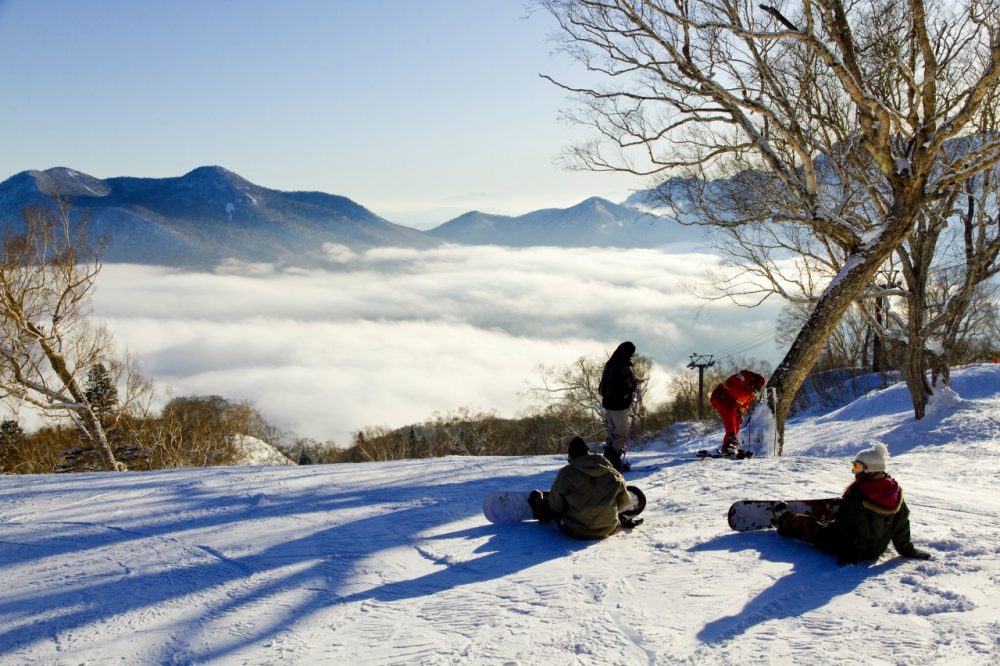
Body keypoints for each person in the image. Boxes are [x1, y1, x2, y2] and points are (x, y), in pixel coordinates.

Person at [775, 443, 932, 565]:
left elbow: (847, 529)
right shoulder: (895, 492)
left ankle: (784, 519)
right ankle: (836, 509)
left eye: (857, 467)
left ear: (869, 469)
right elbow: (902, 526)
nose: (854, 471)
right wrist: (907, 550)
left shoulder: (857, 495)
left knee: (811, 525)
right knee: (840, 519)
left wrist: (849, 554)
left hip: (849, 549)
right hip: (874, 551)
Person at [528, 436, 634, 539]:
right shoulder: (612, 472)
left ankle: (539, 506)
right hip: (609, 528)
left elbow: (556, 507)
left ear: (571, 457)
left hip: (577, 530)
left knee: (557, 513)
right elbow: (625, 500)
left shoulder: (566, 474)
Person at [598, 341, 639, 471]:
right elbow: (623, 387)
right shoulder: (621, 366)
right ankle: (614, 461)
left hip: (608, 403)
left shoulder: (610, 363)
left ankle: (607, 459)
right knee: (621, 433)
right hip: (618, 405)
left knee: (612, 432)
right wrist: (634, 384)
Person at [710, 368, 766, 454]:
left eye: (756, 389)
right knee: (730, 410)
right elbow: (733, 388)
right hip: (719, 397)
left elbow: (744, 404)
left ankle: (727, 447)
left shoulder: (750, 392)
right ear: (752, 381)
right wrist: (746, 393)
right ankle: (731, 437)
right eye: (754, 387)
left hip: (730, 402)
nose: (754, 390)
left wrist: (741, 413)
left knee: (736, 422)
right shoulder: (741, 378)